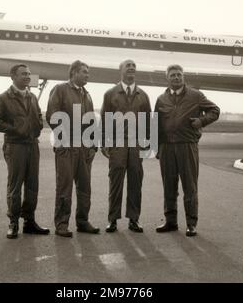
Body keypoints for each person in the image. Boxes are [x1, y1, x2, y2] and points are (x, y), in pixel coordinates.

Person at [154, 64, 220, 237]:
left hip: (187, 145)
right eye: (173, 75)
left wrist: (201, 121)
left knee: (190, 186)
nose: (176, 78)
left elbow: (215, 110)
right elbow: (156, 125)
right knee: (169, 186)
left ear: (183, 77)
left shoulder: (195, 95)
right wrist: (157, 148)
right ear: (167, 78)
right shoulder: (161, 99)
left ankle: (191, 223)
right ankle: (170, 221)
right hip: (167, 147)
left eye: (179, 75)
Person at [0, 63, 49, 239]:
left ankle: (29, 221)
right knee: (15, 186)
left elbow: (37, 116)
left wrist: (38, 126)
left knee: (32, 186)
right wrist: (14, 128)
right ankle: (13, 222)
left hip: (32, 145)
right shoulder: (3, 98)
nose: (27, 77)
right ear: (13, 77)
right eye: (23, 74)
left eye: (29, 74)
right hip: (15, 146)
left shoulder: (33, 97)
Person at [46, 60, 100, 237]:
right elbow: (52, 116)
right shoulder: (60, 90)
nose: (87, 75)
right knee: (64, 186)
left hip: (84, 149)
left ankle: (83, 221)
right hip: (67, 147)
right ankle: (62, 224)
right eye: (84, 72)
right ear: (74, 73)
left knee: (85, 187)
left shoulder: (87, 94)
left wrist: (93, 145)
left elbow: (91, 121)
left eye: (88, 72)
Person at [100, 59, 152, 233]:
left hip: (137, 144)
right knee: (115, 182)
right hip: (117, 144)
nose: (131, 68)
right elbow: (105, 119)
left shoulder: (143, 95)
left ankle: (134, 219)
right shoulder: (110, 94)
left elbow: (147, 121)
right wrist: (104, 142)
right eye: (128, 66)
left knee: (136, 182)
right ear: (120, 70)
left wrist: (148, 143)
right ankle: (112, 219)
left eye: (134, 67)